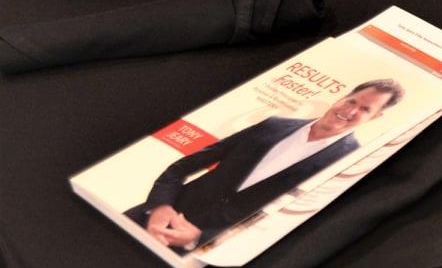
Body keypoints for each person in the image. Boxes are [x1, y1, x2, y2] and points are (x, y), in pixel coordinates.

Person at [126, 78, 404, 252]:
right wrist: (159, 207)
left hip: (203, 253)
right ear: (342, 97)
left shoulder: (350, 162)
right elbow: (180, 168)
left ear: (376, 117)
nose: (350, 110)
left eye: (365, 109)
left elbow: (289, 225)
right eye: (351, 100)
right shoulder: (274, 124)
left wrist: (199, 238)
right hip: (142, 219)